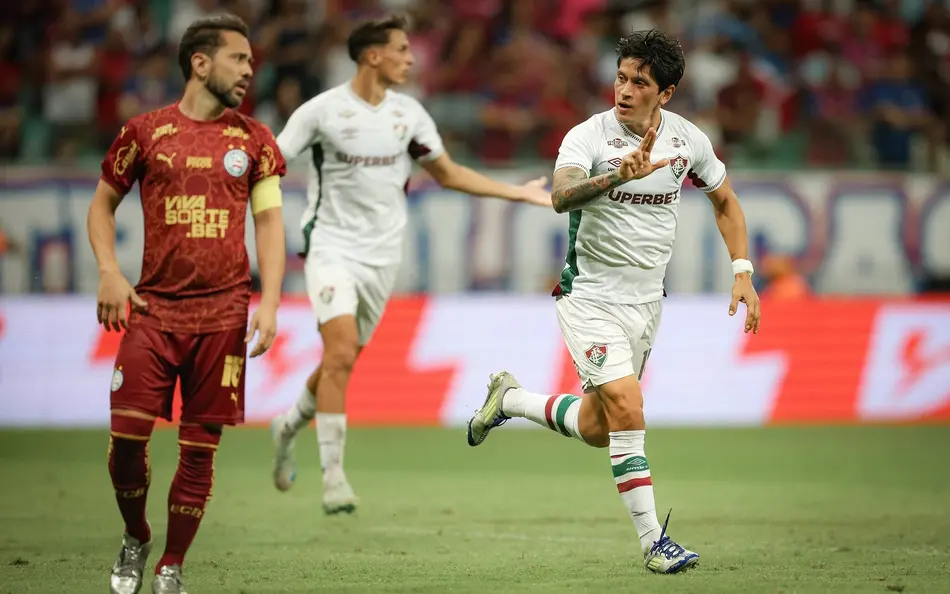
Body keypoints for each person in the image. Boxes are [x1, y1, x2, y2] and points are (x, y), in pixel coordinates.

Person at [466, 29, 762, 574]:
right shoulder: (588, 138)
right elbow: (559, 196)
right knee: (628, 407)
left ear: (665, 93)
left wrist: (742, 271)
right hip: (590, 297)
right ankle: (655, 543)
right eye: (621, 77)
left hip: (647, 303)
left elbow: (725, 201)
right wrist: (614, 176)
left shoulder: (687, 141)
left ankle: (509, 400)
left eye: (640, 82)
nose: (624, 90)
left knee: (601, 427)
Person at [269, 14, 552, 514]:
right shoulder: (321, 112)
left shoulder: (409, 115)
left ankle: (288, 423)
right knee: (338, 353)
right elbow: (268, 161)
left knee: (342, 359)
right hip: (330, 248)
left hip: (382, 257)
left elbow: (447, 172)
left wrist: (517, 193)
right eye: (401, 49)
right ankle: (333, 478)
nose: (411, 57)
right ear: (372, 55)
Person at [88, 14, 287, 594]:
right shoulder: (144, 133)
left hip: (224, 316)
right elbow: (101, 207)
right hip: (152, 313)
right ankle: (136, 535)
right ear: (200, 63)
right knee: (126, 443)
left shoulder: (254, 141)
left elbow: (269, 224)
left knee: (198, 454)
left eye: (251, 62)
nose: (250, 70)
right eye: (239, 59)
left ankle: (171, 565)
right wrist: (109, 272)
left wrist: (270, 302)